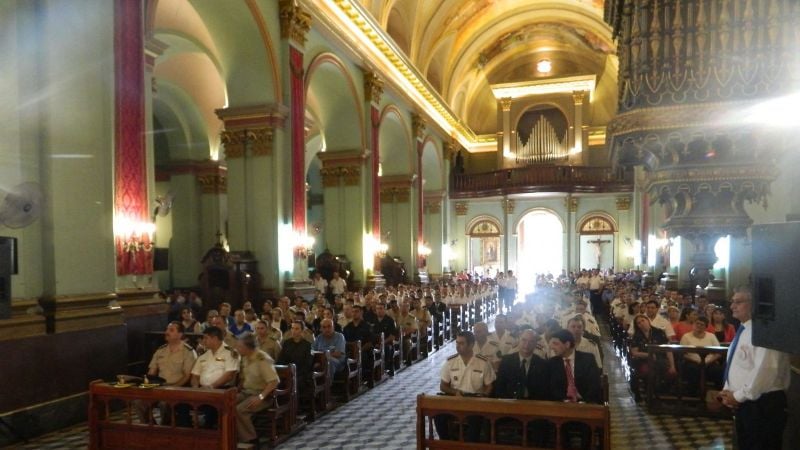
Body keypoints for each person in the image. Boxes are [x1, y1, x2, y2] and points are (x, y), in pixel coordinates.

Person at [719, 287, 791, 450]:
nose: (732, 306)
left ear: (755, 304)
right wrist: (728, 391)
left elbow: (765, 370)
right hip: (746, 403)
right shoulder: (744, 329)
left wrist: (738, 396)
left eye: (738, 302)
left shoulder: (766, 331)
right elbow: (738, 365)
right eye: (732, 302)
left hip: (763, 404)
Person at [435, 331, 495, 442]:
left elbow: (489, 385)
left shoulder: (483, 362)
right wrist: (455, 392)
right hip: (456, 400)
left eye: (462, 343)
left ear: (471, 345)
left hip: (475, 402)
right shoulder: (450, 362)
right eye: (457, 343)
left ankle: (471, 445)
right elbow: (443, 386)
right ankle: (446, 443)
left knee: (475, 421)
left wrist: (484, 396)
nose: (458, 346)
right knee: (439, 416)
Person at [137, 321, 196, 425]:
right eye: (167, 329)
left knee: (164, 404)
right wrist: (147, 384)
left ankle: (165, 428)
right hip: (159, 387)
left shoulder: (188, 351)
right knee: (139, 403)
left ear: (180, 334)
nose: (167, 332)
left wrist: (173, 388)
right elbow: (151, 372)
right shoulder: (160, 350)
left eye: (171, 330)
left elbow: (187, 376)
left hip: (178, 388)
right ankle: (150, 427)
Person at [190, 327, 239, 428]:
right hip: (201, 390)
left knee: (210, 409)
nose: (203, 341)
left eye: (206, 338)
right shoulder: (204, 355)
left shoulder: (230, 353)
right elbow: (195, 375)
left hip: (222, 390)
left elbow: (229, 375)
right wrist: (195, 388)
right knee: (181, 405)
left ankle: (209, 431)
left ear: (215, 338)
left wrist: (211, 387)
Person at [235, 334, 279, 445]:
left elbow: (274, 381)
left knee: (240, 410)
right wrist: (236, 390)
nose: (237, 349)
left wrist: (260, 397)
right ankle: (232, 436)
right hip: (246, 392)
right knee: (227, 403)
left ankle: (251, 440)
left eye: (240, 347)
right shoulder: (245, 358)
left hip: (262, 395)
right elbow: (244, 378)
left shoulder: (262, 359)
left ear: (248, 347)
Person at [546, 329, 602, 404]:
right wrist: (562, 401)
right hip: (561, 405)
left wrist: (585, 402)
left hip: (586, 403)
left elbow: (594, 385)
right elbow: (551, 389)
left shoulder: (587, 359)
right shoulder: (552, 363)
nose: (552, 347)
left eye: (555, 344)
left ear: (567, 344)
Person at [629, 313, 676, 401]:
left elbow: (668, 350)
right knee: (648, 371)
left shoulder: (659, 332)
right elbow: (634, 353)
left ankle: (658, 393)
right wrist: (648, 355)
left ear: (648, 321)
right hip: (643, 360)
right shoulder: (637, 335)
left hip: (659, 359)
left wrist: (672, 365)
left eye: (643, 320)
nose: (641, 323)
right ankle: (651, 394)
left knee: (666, 370)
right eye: (639, 323)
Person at [494, 329, 548, 399]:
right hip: (509, 401)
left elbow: (543, 390)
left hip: (533, 402)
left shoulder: (542, 364)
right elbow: (499, 386)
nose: (527, 344)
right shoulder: (506, 361)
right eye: (524, 340)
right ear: (519, 340)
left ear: (535, 344)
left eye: (531, 341)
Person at [276, 321, 314, 415]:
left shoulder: (307, 345)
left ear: (302, 331)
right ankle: (280, 407)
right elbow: (281, 359)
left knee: (295, 381)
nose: (294, 331)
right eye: (292, 328)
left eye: (297, 329)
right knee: (276, 380)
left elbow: (308, 363)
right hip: (287, 371)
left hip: (301, 373)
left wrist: (295, 373)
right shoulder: (287, 343)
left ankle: (295, 408)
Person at [679, 316, 722, 394]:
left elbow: (718, 353)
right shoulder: (686, 336)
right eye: (697, 323)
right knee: (692, 369)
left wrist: (708, 362)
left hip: (709, 362)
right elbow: (682, 354)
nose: (699, 326)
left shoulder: (711, 336)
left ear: (706, 327)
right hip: (692, 361)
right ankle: (693, 393)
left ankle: (717, 393)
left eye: (702, 324)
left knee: (717, 370)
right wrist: (697, 361)